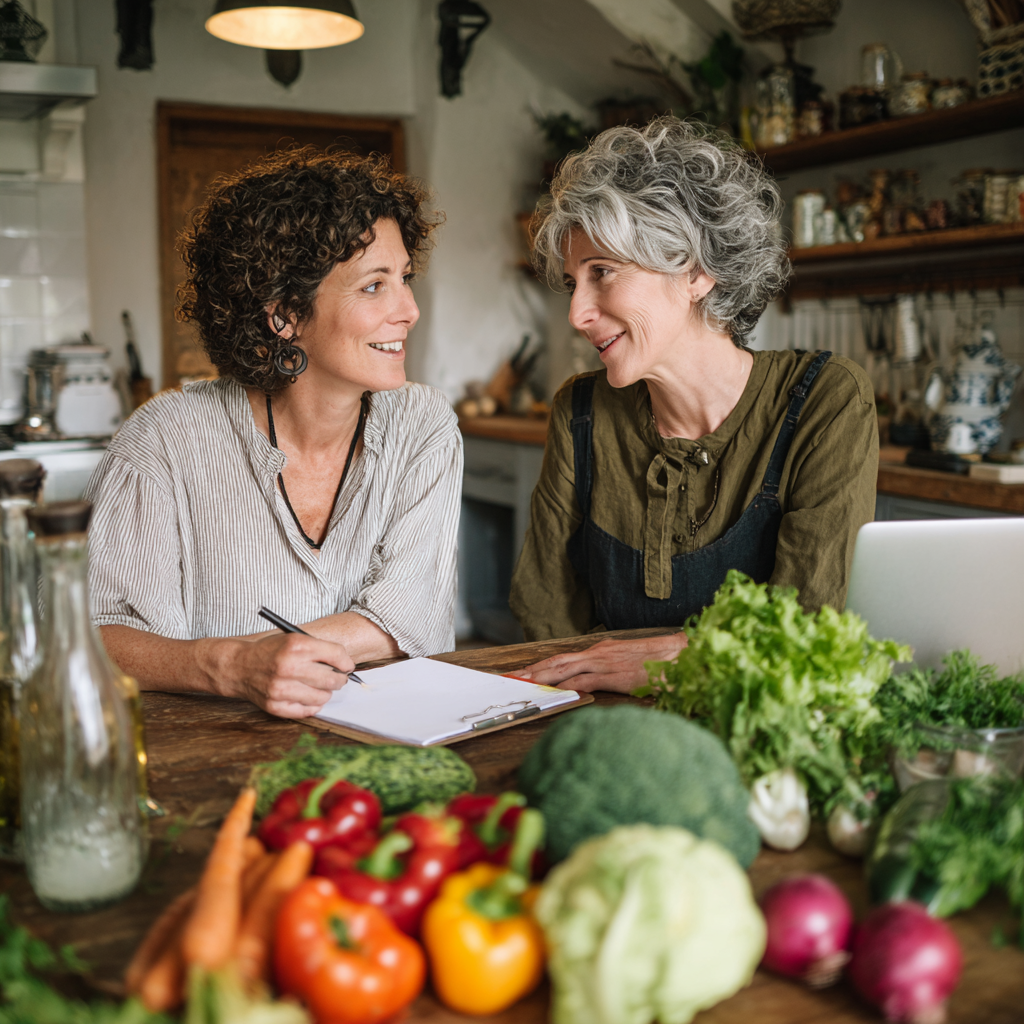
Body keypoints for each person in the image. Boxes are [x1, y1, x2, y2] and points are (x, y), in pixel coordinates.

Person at [85, 149, 461, 720]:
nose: (408, 309)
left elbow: (410, 617)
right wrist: (232, 667)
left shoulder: (423, 426)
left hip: (383, 749)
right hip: (203, 757)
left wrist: (270, 659)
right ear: (284, 314)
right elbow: (96, 636)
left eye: (404, 278)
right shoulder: (162, 443)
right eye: (372, 286)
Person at [509, 118, 878, 693]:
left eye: (602, 272)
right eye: (573, 281)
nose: (577, 312)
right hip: (604, 724)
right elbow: (547, 616)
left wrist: (669, 663)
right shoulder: (580, 411)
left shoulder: (825, 400)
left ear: (697, 271)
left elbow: (809, 623)